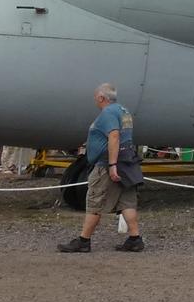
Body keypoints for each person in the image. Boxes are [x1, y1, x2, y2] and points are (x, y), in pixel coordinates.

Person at [58, 83, 142, 253]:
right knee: (126, 201)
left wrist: (111, 165)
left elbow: (114, 135)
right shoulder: (123, 111)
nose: (95, 100)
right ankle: (135, 238)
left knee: (95, 200)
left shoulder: (108, 113)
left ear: (102, 97)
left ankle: (84, 240)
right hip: (126, 162)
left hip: (107, 165)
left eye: (96, 97)